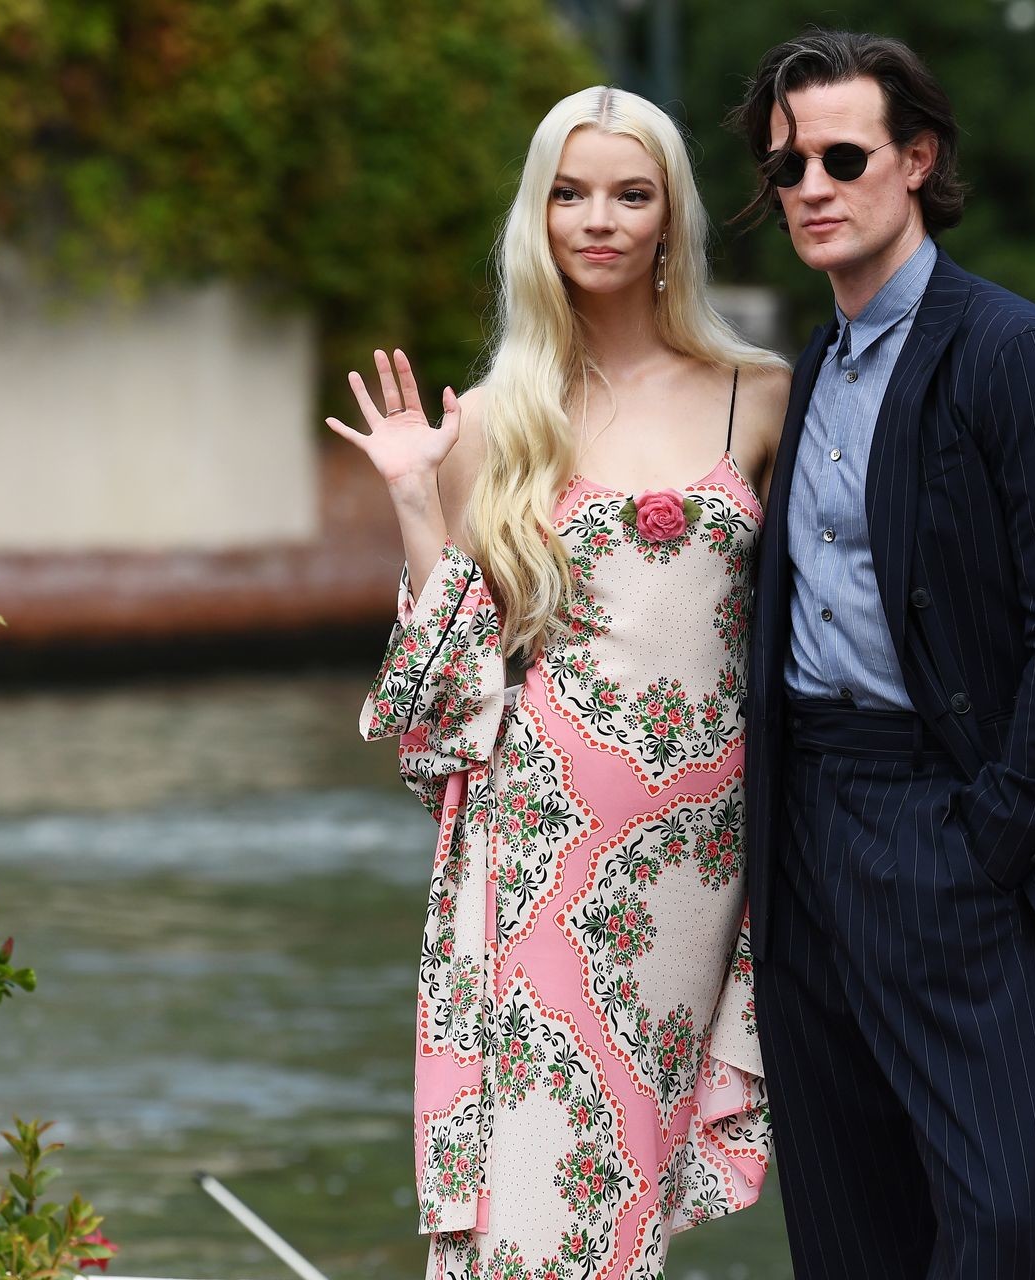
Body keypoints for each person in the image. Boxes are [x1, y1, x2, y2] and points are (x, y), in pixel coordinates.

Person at [726, 30, 1035, 1280]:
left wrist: (990, 841)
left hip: (947, 823)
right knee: (846, 1226)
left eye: (844, 157)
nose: (812, 187)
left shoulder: (1017, 354)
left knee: (991, 1222)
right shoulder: (810, 367)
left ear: (918, 159)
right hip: (802, 827)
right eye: (788, 166)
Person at [332, 86, 790, 1279]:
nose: (599, 219)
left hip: (699, 862)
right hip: (539, 849)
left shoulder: (759, 393)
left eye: (630, 194)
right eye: (571, 194)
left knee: (625, 1185)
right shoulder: (493, 419)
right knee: (543, 1186)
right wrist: (415, 500)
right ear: (538, 215)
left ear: (670, 216)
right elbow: (451, 695)